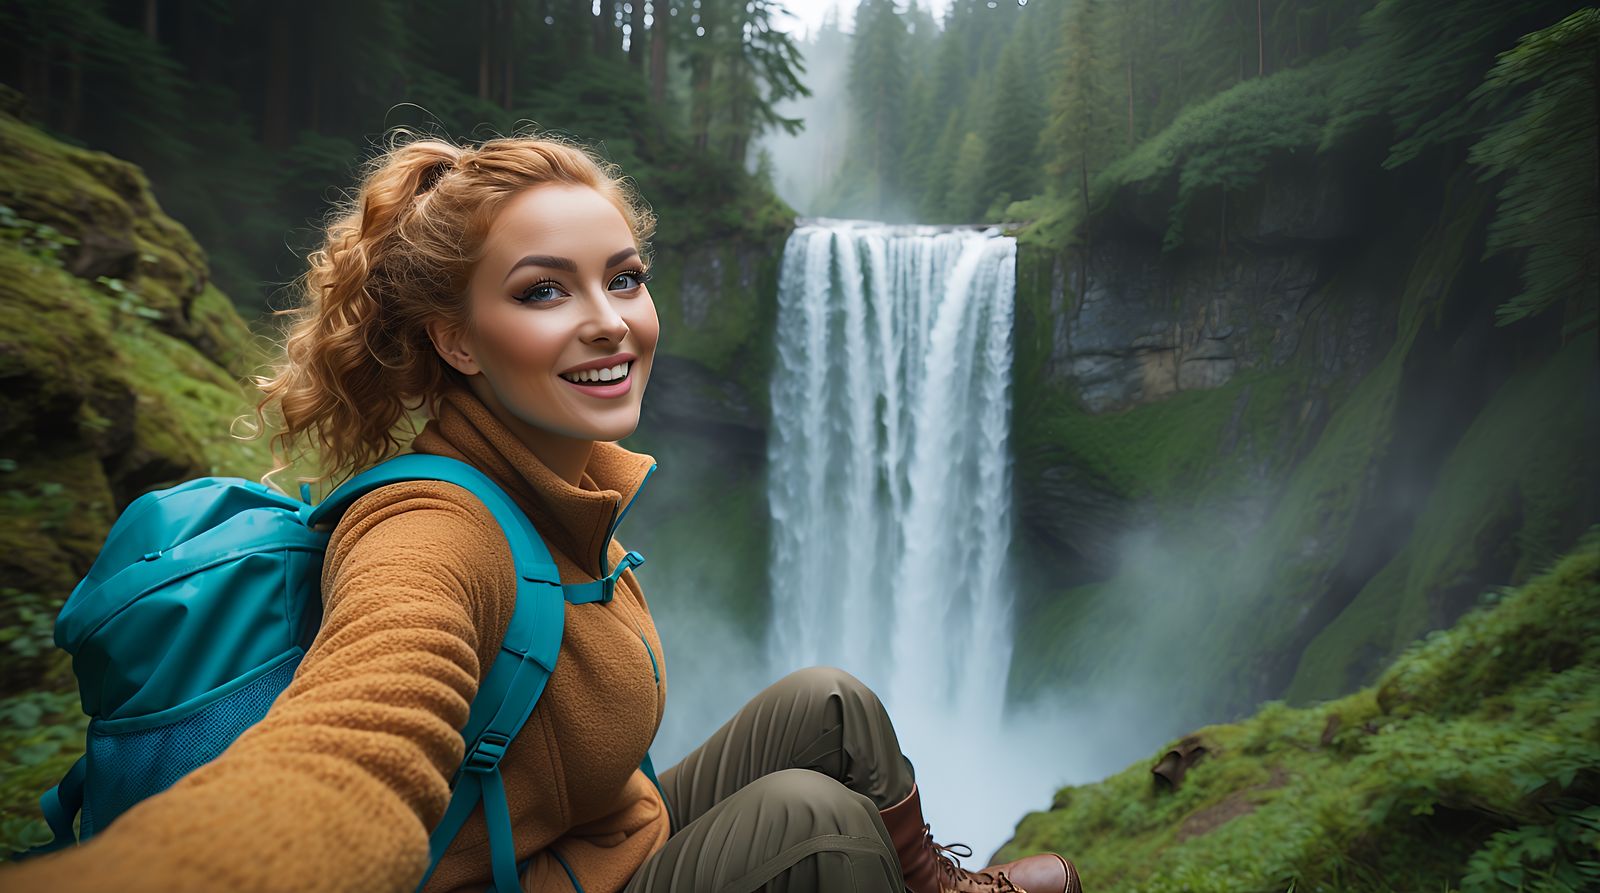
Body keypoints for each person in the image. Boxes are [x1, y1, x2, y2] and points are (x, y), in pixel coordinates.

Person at [0, 131, 1079, 893]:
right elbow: (355, 747)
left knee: (830, 703)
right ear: (456, 340)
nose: (609, 322)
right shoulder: (432, 528)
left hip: (602, 842)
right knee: (815, 817)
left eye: (625, 277)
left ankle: (937, 885)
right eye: (544, 290)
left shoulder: (558, 484)